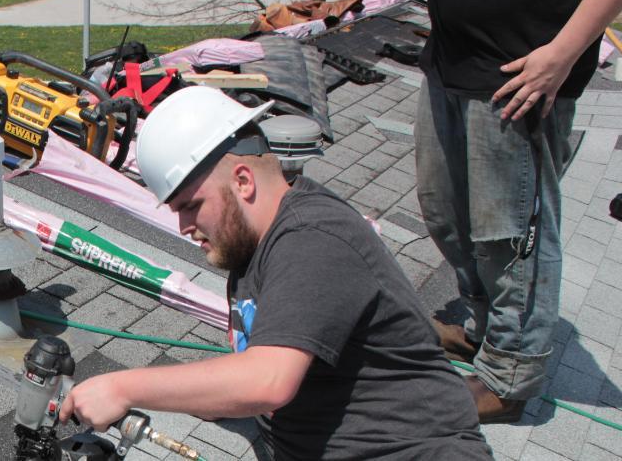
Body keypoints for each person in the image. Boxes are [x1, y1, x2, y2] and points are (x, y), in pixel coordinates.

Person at [57, 87, 492, 460]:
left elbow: (267, 381)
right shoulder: (250, 249)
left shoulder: (314, 237)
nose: (184, 227)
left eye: (191, 205)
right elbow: (256, 373)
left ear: (243, 180)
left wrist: (123, 387)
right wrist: (206, 397)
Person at [416, 0, 622, 423]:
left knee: (508, 235)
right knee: (446, 213)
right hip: (450, 60)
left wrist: (562, 55)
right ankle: (483, 329)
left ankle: (509, 376)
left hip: (523, 72)